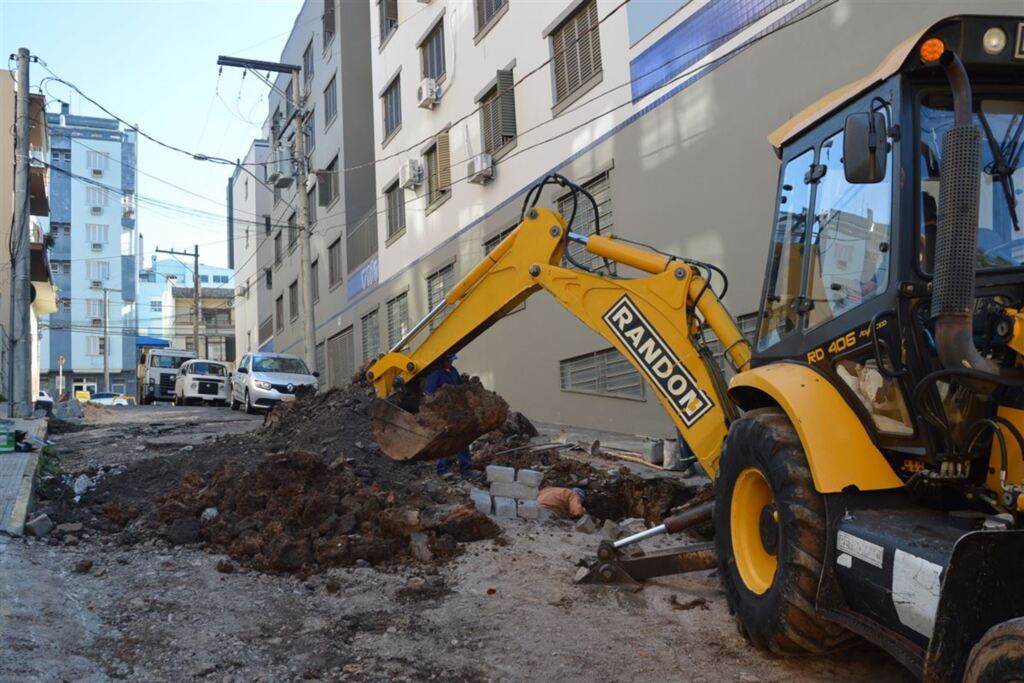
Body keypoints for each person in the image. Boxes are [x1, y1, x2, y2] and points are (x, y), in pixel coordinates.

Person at [423, 355, 478, 479]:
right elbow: (430, 394)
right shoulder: (436, 374)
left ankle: (467, 469)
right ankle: (442, 469)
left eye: (452, 361)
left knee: (462, 439)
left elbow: (459, 388)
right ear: (443, 361)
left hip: (456, 412)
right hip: (443, 413)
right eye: (449, 361)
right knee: (445, 440)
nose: (451, 363)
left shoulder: (454, 372)